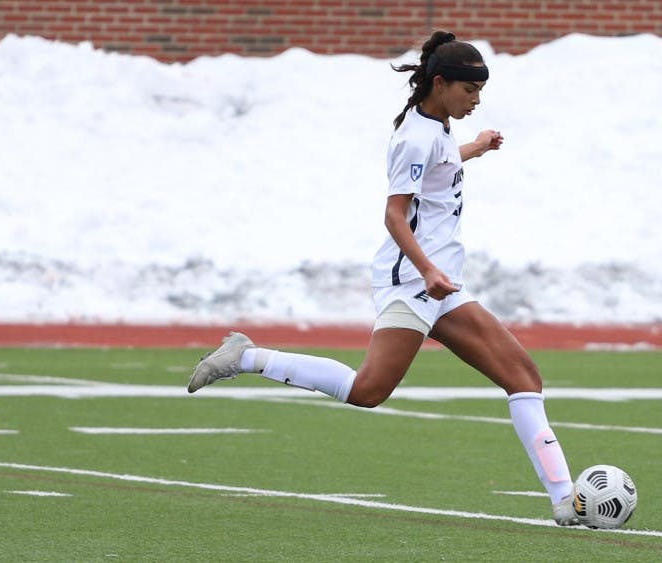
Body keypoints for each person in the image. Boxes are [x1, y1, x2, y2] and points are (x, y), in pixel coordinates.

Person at [187, 30, 579, 526]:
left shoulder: (435, 127)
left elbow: (438, 167)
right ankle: (245, 356)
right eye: (469, 90)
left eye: (481, 91)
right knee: (368, 391)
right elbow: (395, 216)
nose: (477, 100)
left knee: (523, 378)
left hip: (443, 285)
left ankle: (566, 500)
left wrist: (474, 148)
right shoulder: (416, 137)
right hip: (413, 283)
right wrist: (428, 270)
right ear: (440, 83)